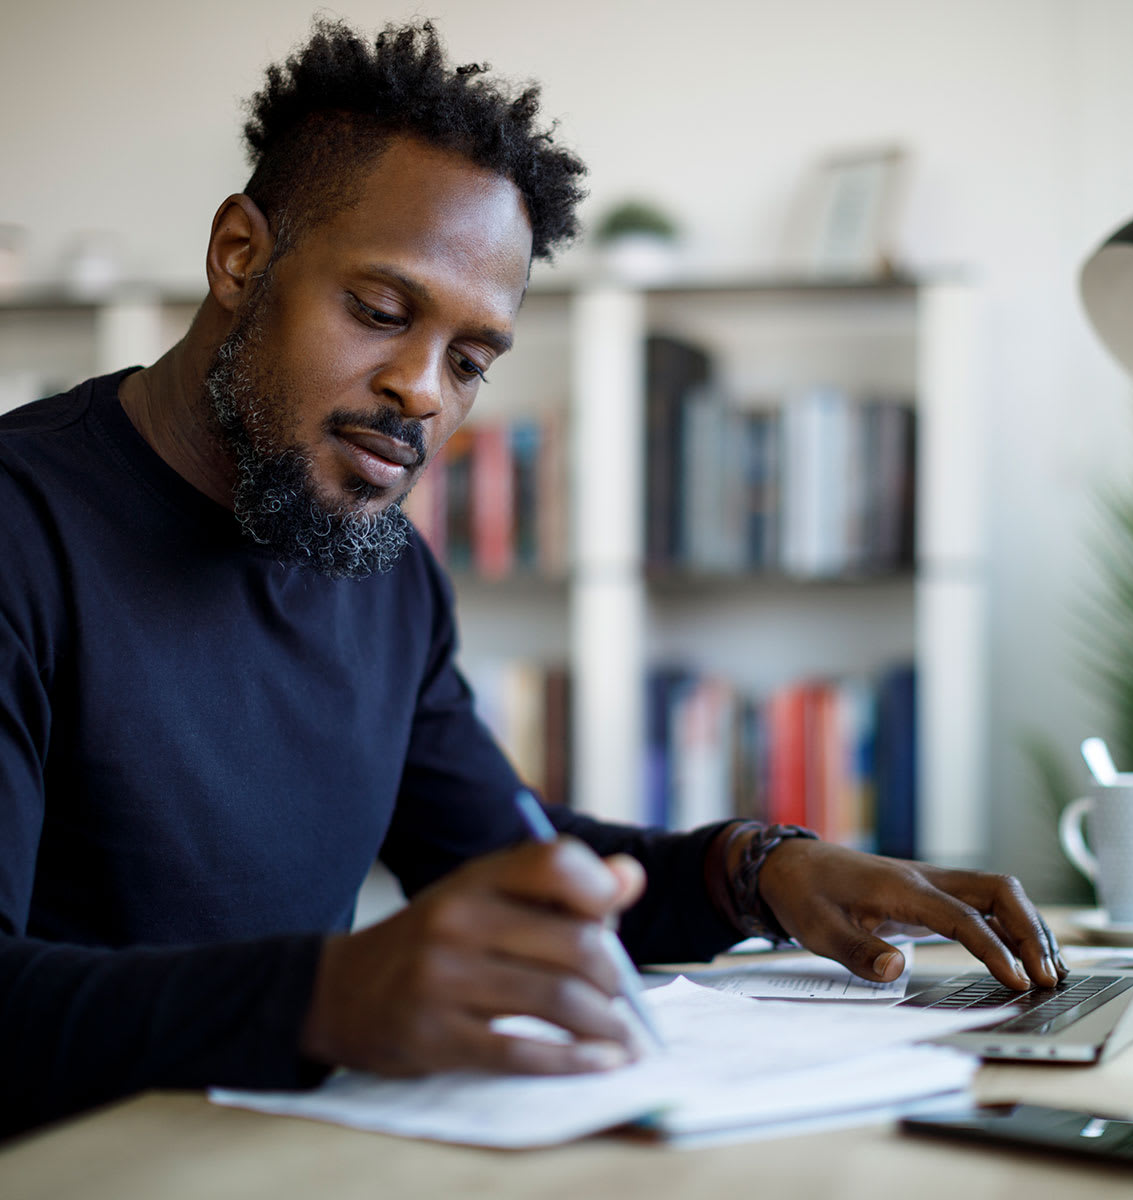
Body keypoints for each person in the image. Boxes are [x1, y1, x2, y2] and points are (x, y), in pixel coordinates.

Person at [0, 19, 1064, 1139]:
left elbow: (516, 858)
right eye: (379, 310)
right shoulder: (23, 529)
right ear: (239, 257)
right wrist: (329, 995)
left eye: (469, 361)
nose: (421, 391)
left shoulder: (390, 579)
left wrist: (759, 872)